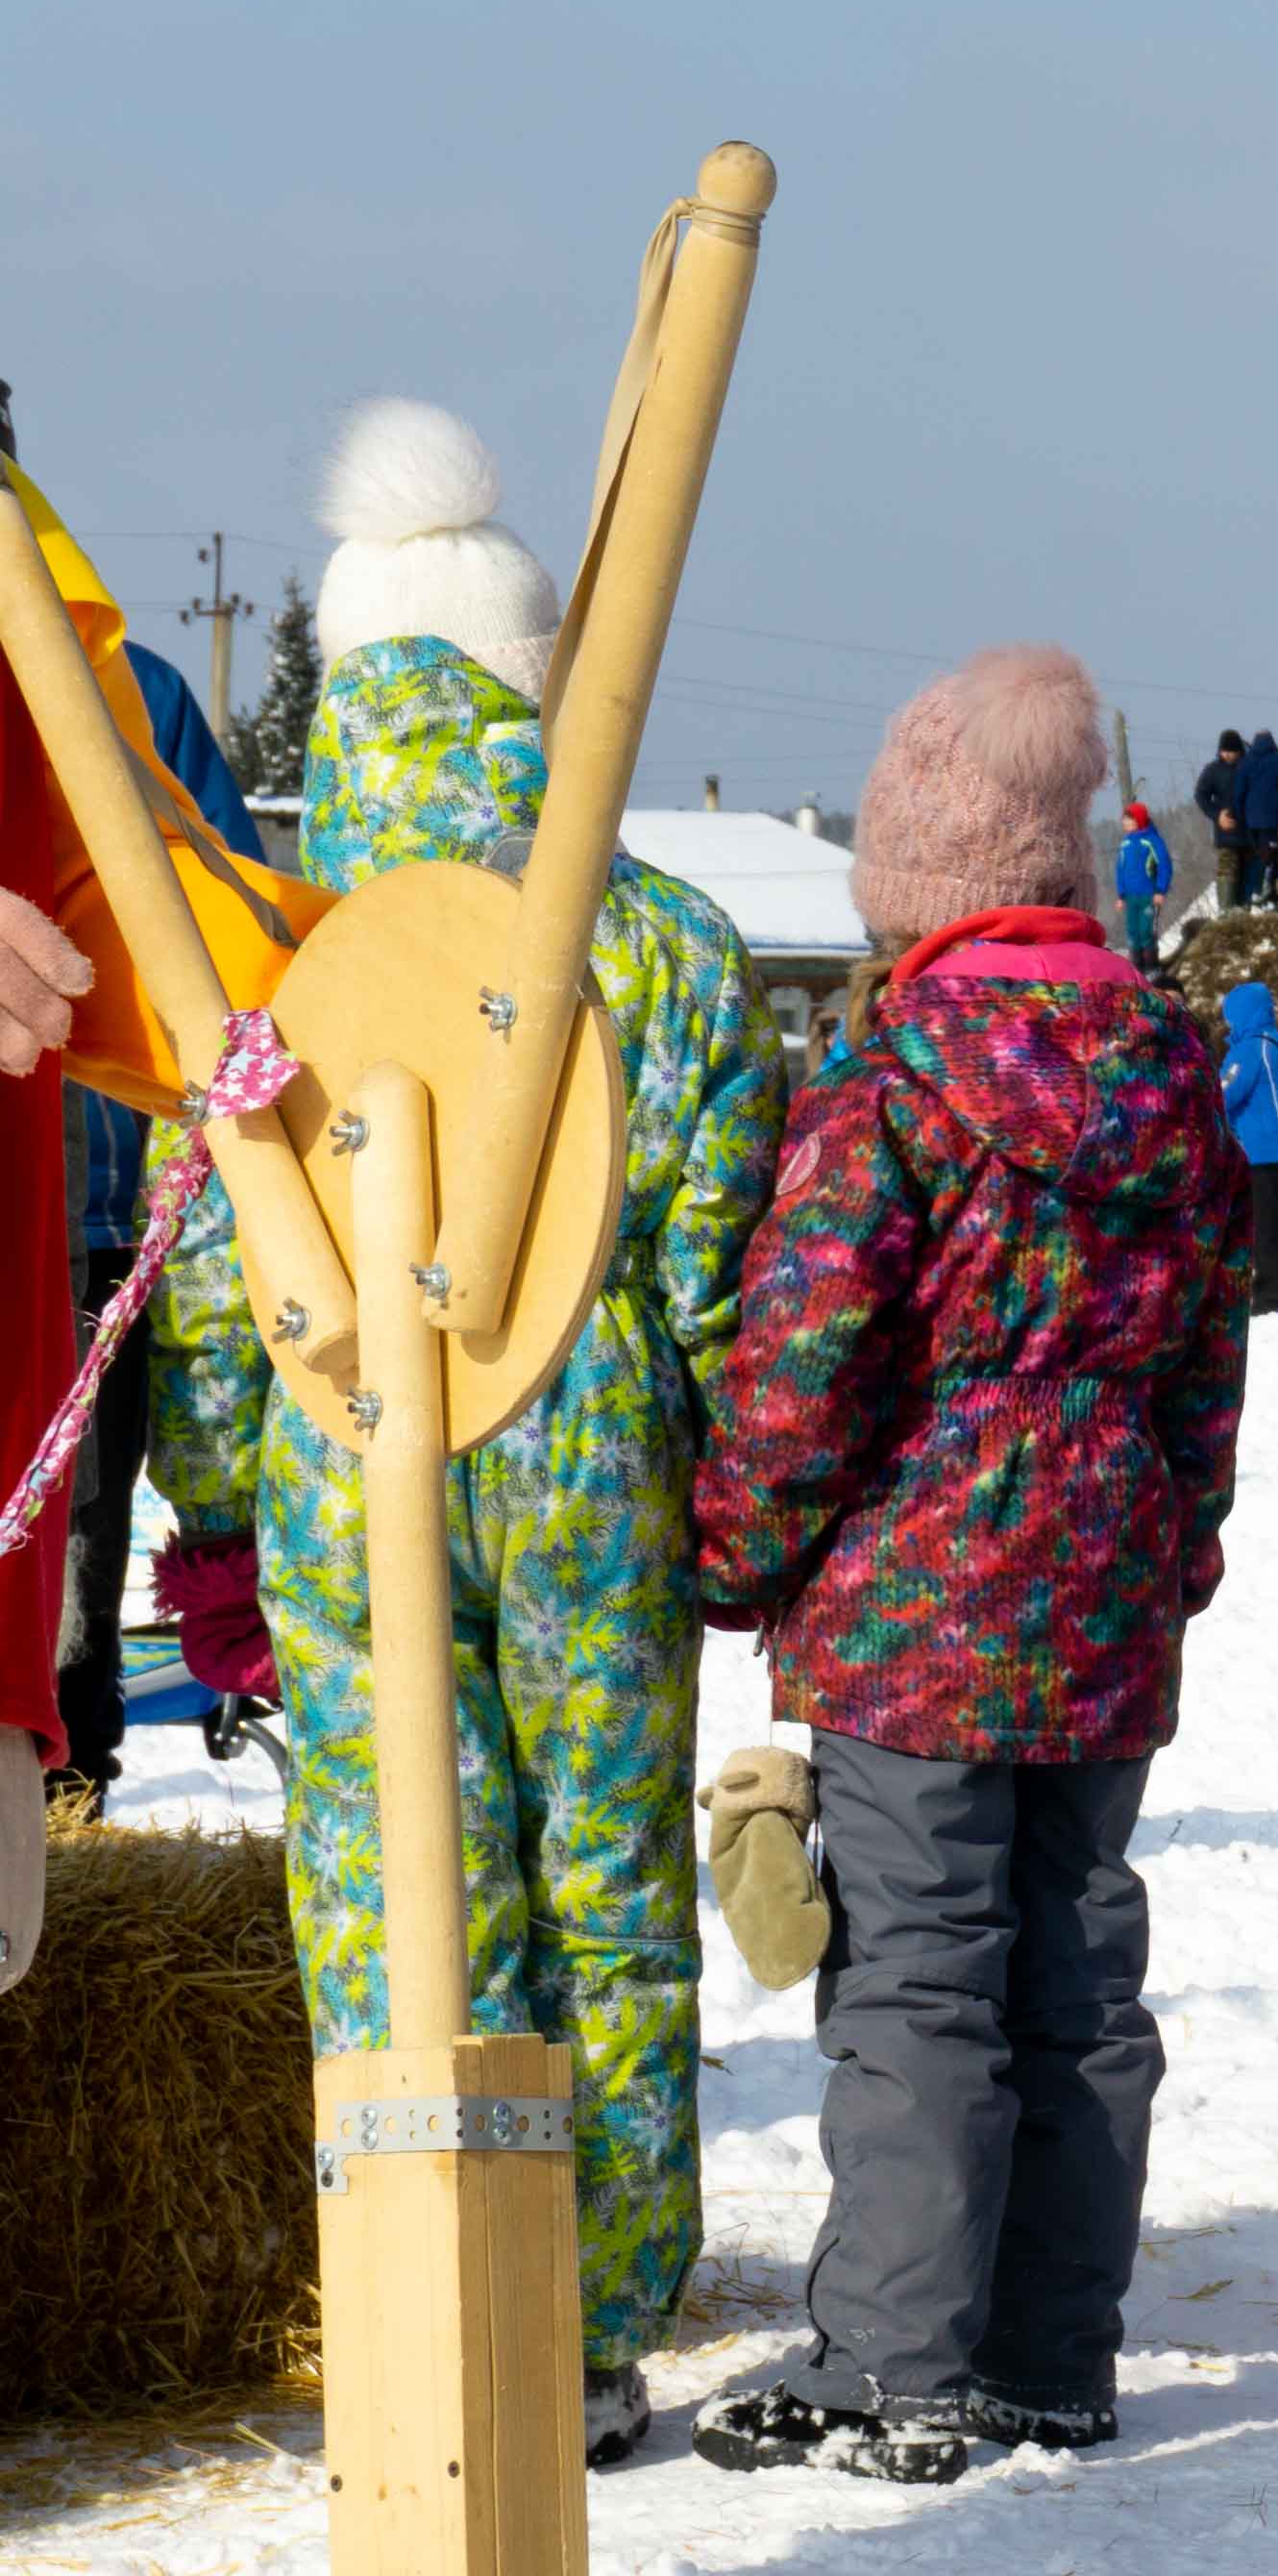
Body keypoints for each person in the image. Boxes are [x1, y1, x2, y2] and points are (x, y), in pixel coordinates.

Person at [148, 400, 782, 2469]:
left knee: (385, 1864)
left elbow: (224, 1267)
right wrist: (698, 1440)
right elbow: (712, 1268)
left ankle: (417, 2273)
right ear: (533, 674)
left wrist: (224, 1493)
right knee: (599, 1870)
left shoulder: (272, 937)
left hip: (353, 1459)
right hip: (596, 1468)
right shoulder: (667, 942)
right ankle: (590, 2315)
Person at [685, 649, 1242, 2483]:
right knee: (1079, 1960)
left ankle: (892, 2357)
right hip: (1101, 1563)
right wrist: (1185, 1527)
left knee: (917, 1973)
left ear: (918, 886)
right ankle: (1052, 2353)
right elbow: (1207, 1341)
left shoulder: (891, 1083)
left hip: (919, 1586)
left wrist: (739, 1541)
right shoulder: (1173, 1067)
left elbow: (807, 1348)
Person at [51, 633, 261, 1813]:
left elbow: (231, 942)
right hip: (86, 1219)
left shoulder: (133, 689)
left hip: (86, 1226)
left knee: (69, 1595)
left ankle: (53, 1866)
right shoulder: (139, 686)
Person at [1208, 982, 1278, 1316]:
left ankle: (1269, 1297)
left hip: (1264, 1149)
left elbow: (1225, 1094)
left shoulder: (1249, 1049)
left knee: (1264, 1226)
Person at [1227, 725, 1278, 904]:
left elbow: (1238, 794)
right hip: (1271, 821)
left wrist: (1239, 819)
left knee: (1257, 859)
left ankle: (1257, 895)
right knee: (1272, 857)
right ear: (1272, 742)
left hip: (1249, 823)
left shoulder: (1245, 763)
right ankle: (1269, 894)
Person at [1108, 797, 1174, 971]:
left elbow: (1165, 865)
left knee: (1146, 931)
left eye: (1128, 819)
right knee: (1132, 932)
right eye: (1124, 819)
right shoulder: (1126, 842)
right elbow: (1120, 869)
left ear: (1138, 820)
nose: (1124, 822)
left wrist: (1161, 890)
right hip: (1130, 896)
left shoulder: (1152, 840)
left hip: (1148, 895)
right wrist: (1121, 895)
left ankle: (1152, 968)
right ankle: (1137, 970)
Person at [1195, 731, 1260, 910]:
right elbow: (1201, 795)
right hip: (1226, 835)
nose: (1227, 755)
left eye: (1231, 751)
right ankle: (1226, 913)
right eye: (1224, 751)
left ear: (1239, 751)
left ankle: (1244, 914)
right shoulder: (1213, 770)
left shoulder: (1251, 767)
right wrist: (1217, 815)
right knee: (1227, 873)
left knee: (1247, 878)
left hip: (1249, 835)